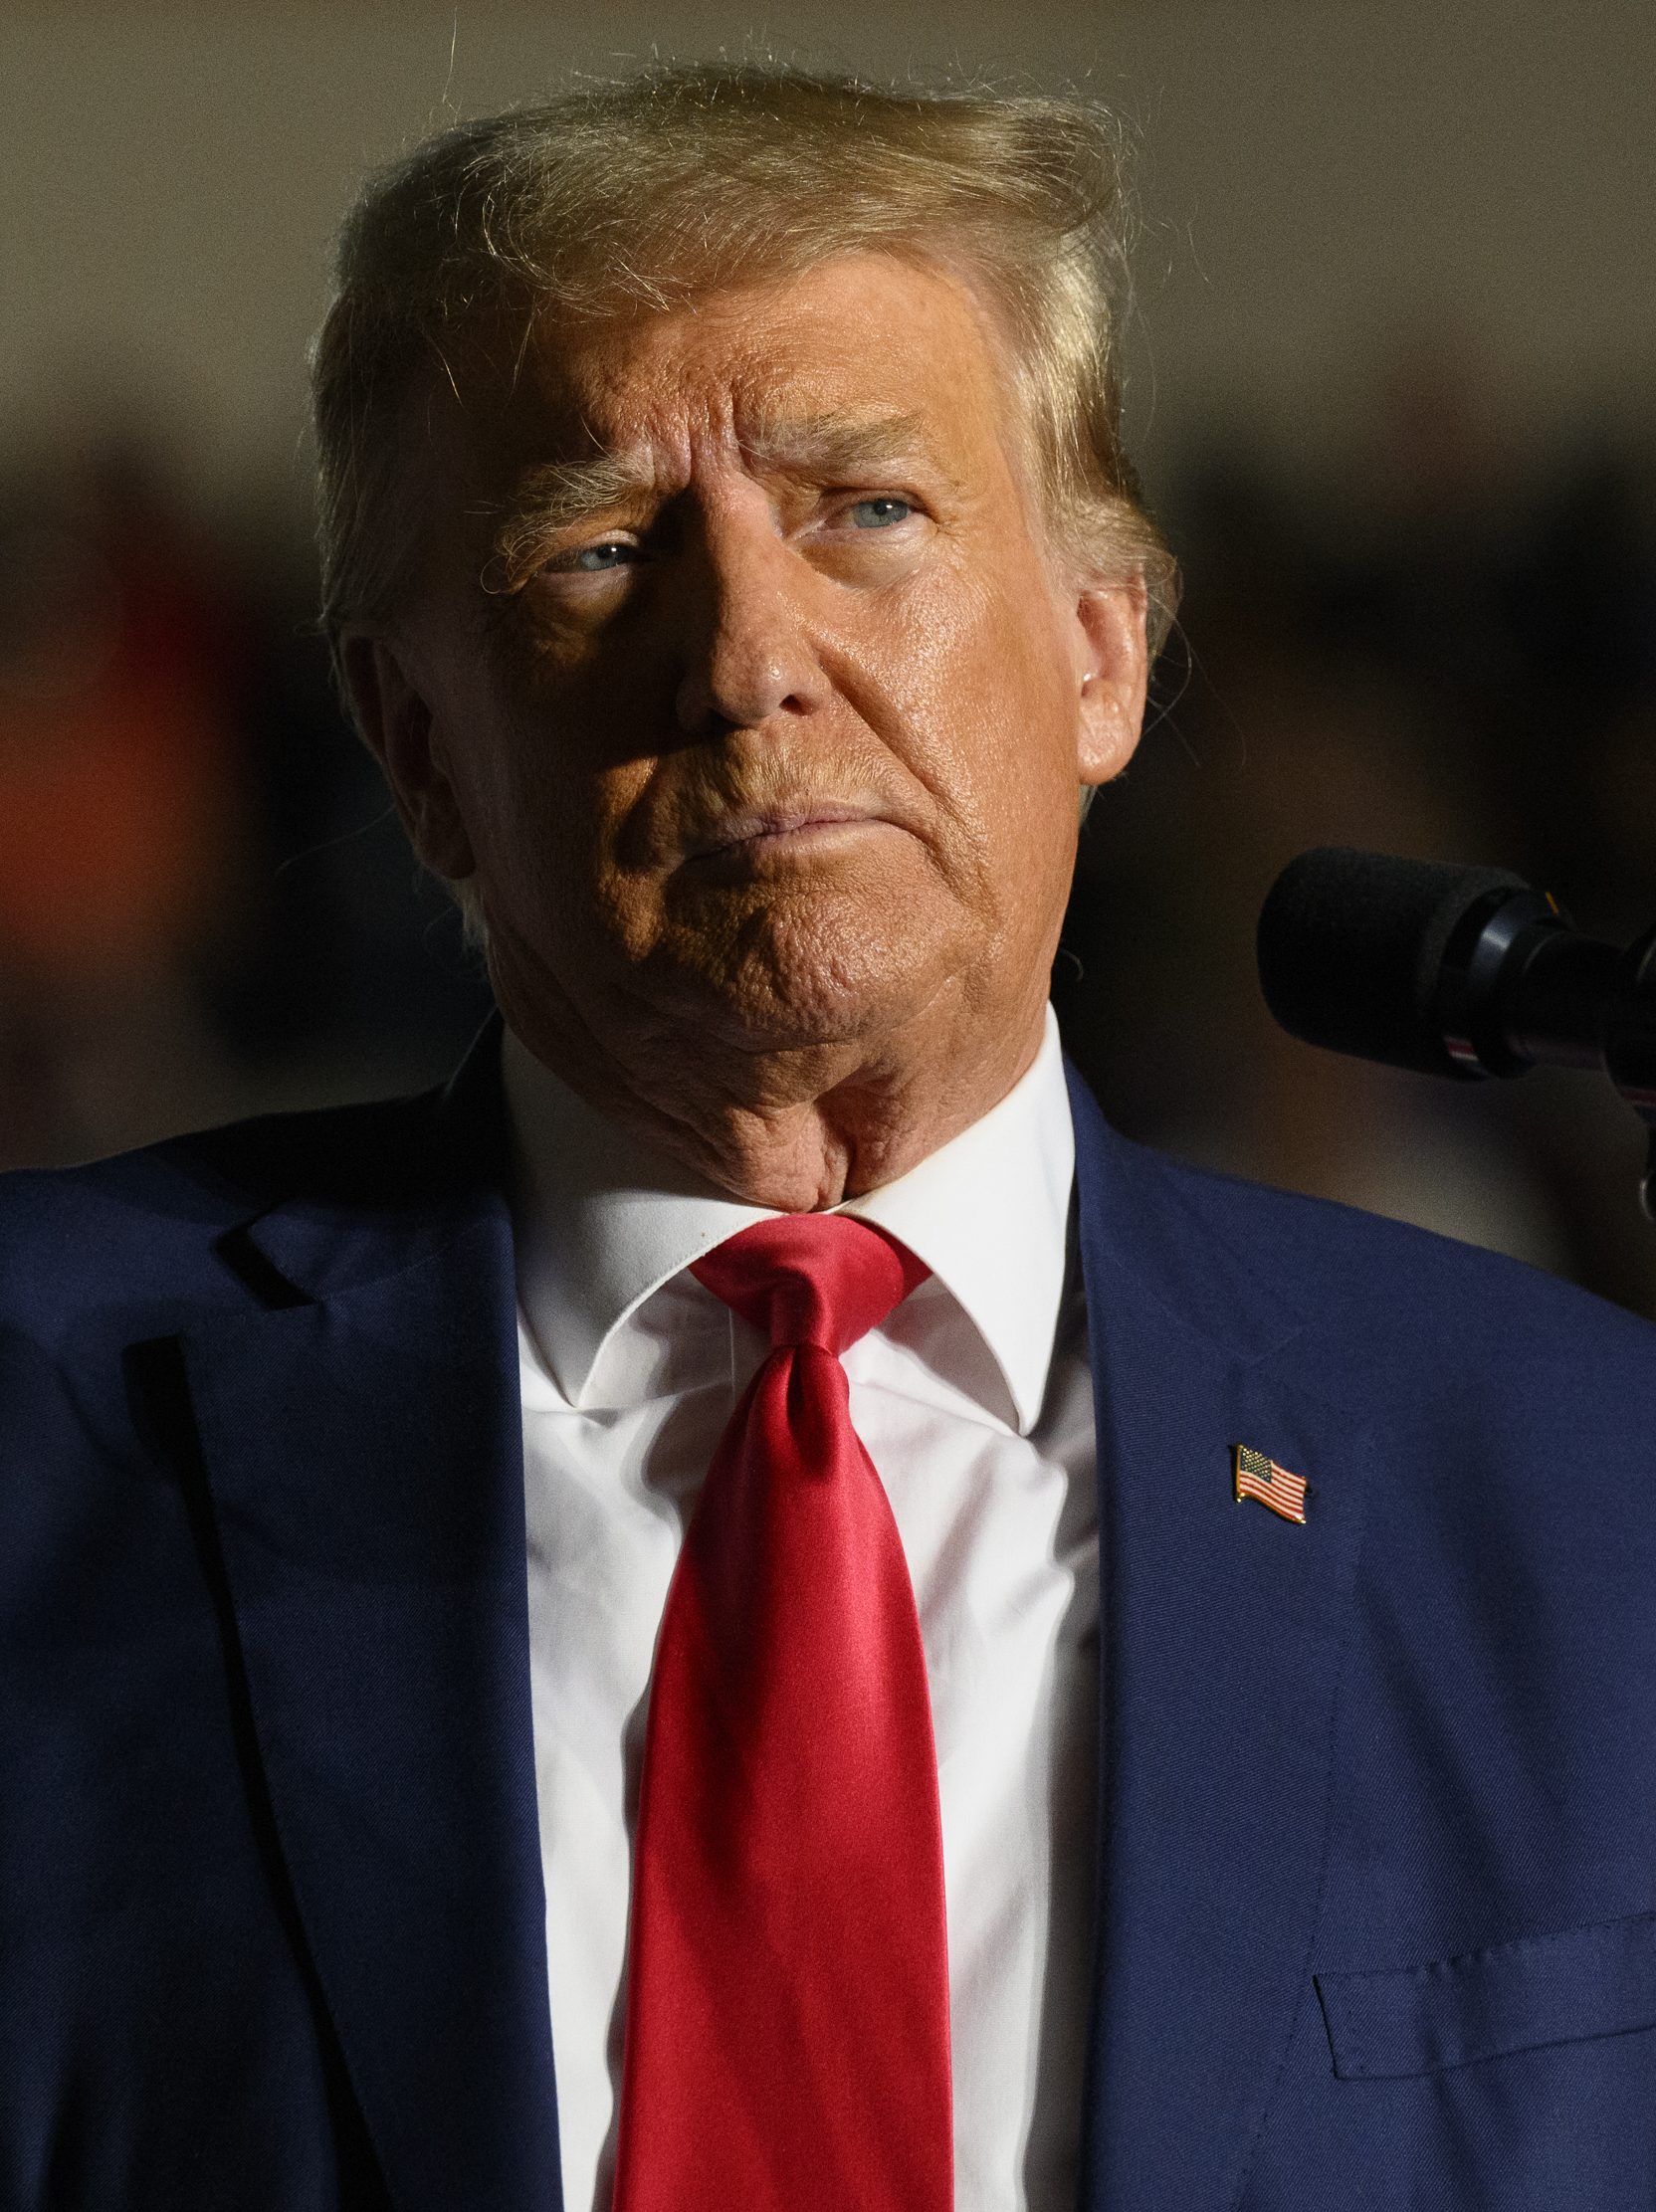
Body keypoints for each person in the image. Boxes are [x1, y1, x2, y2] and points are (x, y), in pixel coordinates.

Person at [5, 63, 1656, 2212]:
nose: (750, 652)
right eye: (600, 547)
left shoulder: (1583, 1486)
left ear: (1101, 647)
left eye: (864, 507)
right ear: (416, 748)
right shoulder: (39, 1428)